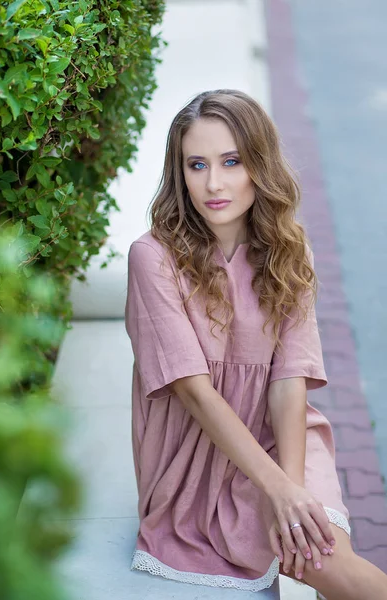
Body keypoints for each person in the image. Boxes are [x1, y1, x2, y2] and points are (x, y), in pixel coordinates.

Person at [125, 89, 387, 599]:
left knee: (323, 552)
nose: (213, 183)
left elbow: (290, 380)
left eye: (232, 161)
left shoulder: (289, 250)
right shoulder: (152, 258)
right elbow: (195, 393)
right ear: (179, 173)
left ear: (259, 165)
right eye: (196, 165)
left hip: (284, 436)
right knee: (330, 564)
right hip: (196, 458)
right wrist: (277, 491)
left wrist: (289, 492)